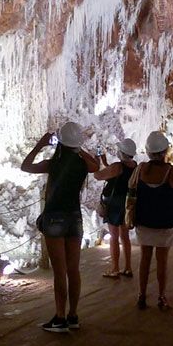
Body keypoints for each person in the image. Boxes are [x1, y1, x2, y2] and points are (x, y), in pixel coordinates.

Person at [21, 122, 100, 332]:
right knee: (73, 270)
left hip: (54, 217)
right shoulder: (82, 164)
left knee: (60, 271)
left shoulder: (53, 163)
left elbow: (25, 166)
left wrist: (40, 145)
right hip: (74, 218)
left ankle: (59, 317)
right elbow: (96, 166)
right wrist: (78, 148)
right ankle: (73, 315)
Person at [131, 131, 173, 311]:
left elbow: (131, 190)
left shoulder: (140, 170)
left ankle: (141, 296)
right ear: (165, 152)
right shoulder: (171, 171)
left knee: (144, 259)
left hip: (144, 222)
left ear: (148, 152)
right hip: (164, 224)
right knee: (162, 261)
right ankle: (161, 297)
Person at [94, 138, 138, 278]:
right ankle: (128, 267)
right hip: (126, 204)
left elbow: (98, 175)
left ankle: (114, 268)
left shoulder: (117, 166)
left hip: (114, 205)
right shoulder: (134, 165)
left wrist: (97, 163)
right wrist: (106, 163)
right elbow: (118, 175)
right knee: (125, 237)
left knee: (114, 236)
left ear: (122, 152)